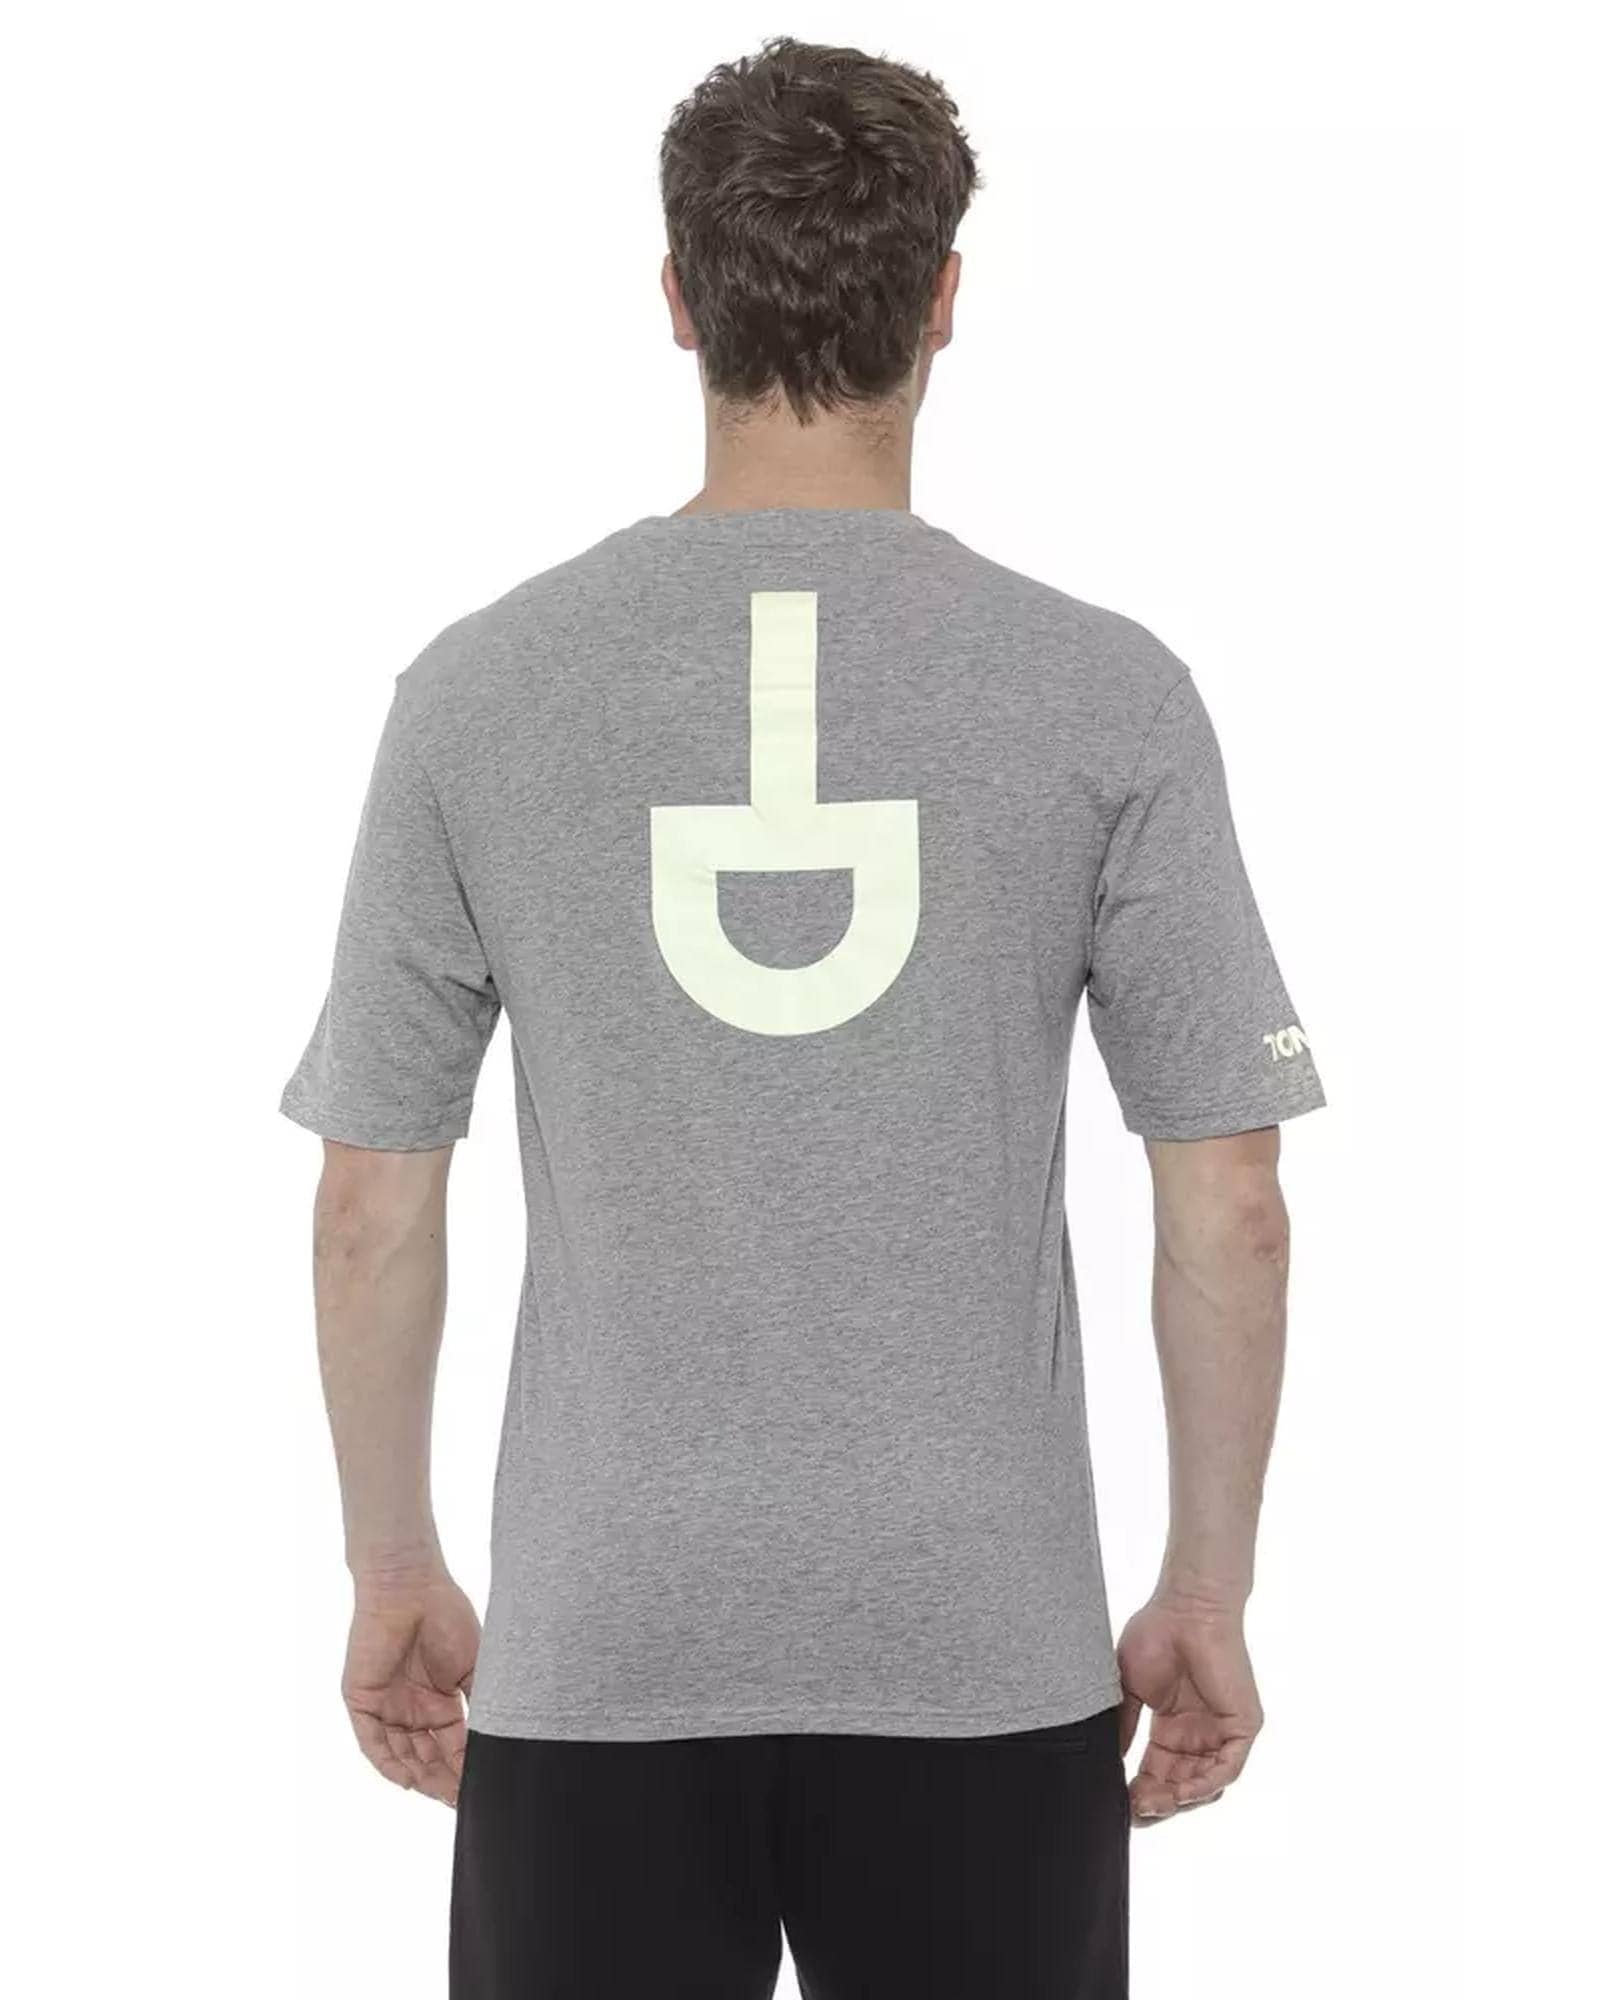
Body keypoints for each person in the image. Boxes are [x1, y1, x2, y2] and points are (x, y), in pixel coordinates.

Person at [283, 35, 1325, 1999]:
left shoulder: (476, 696)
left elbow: (368, 1201)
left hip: (601, 1644)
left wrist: (392, 1564)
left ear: (678, 299)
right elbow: (1231, 1204)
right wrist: (1205, 1584)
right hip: (982, 1645)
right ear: (944, 298)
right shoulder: (1106, 696)